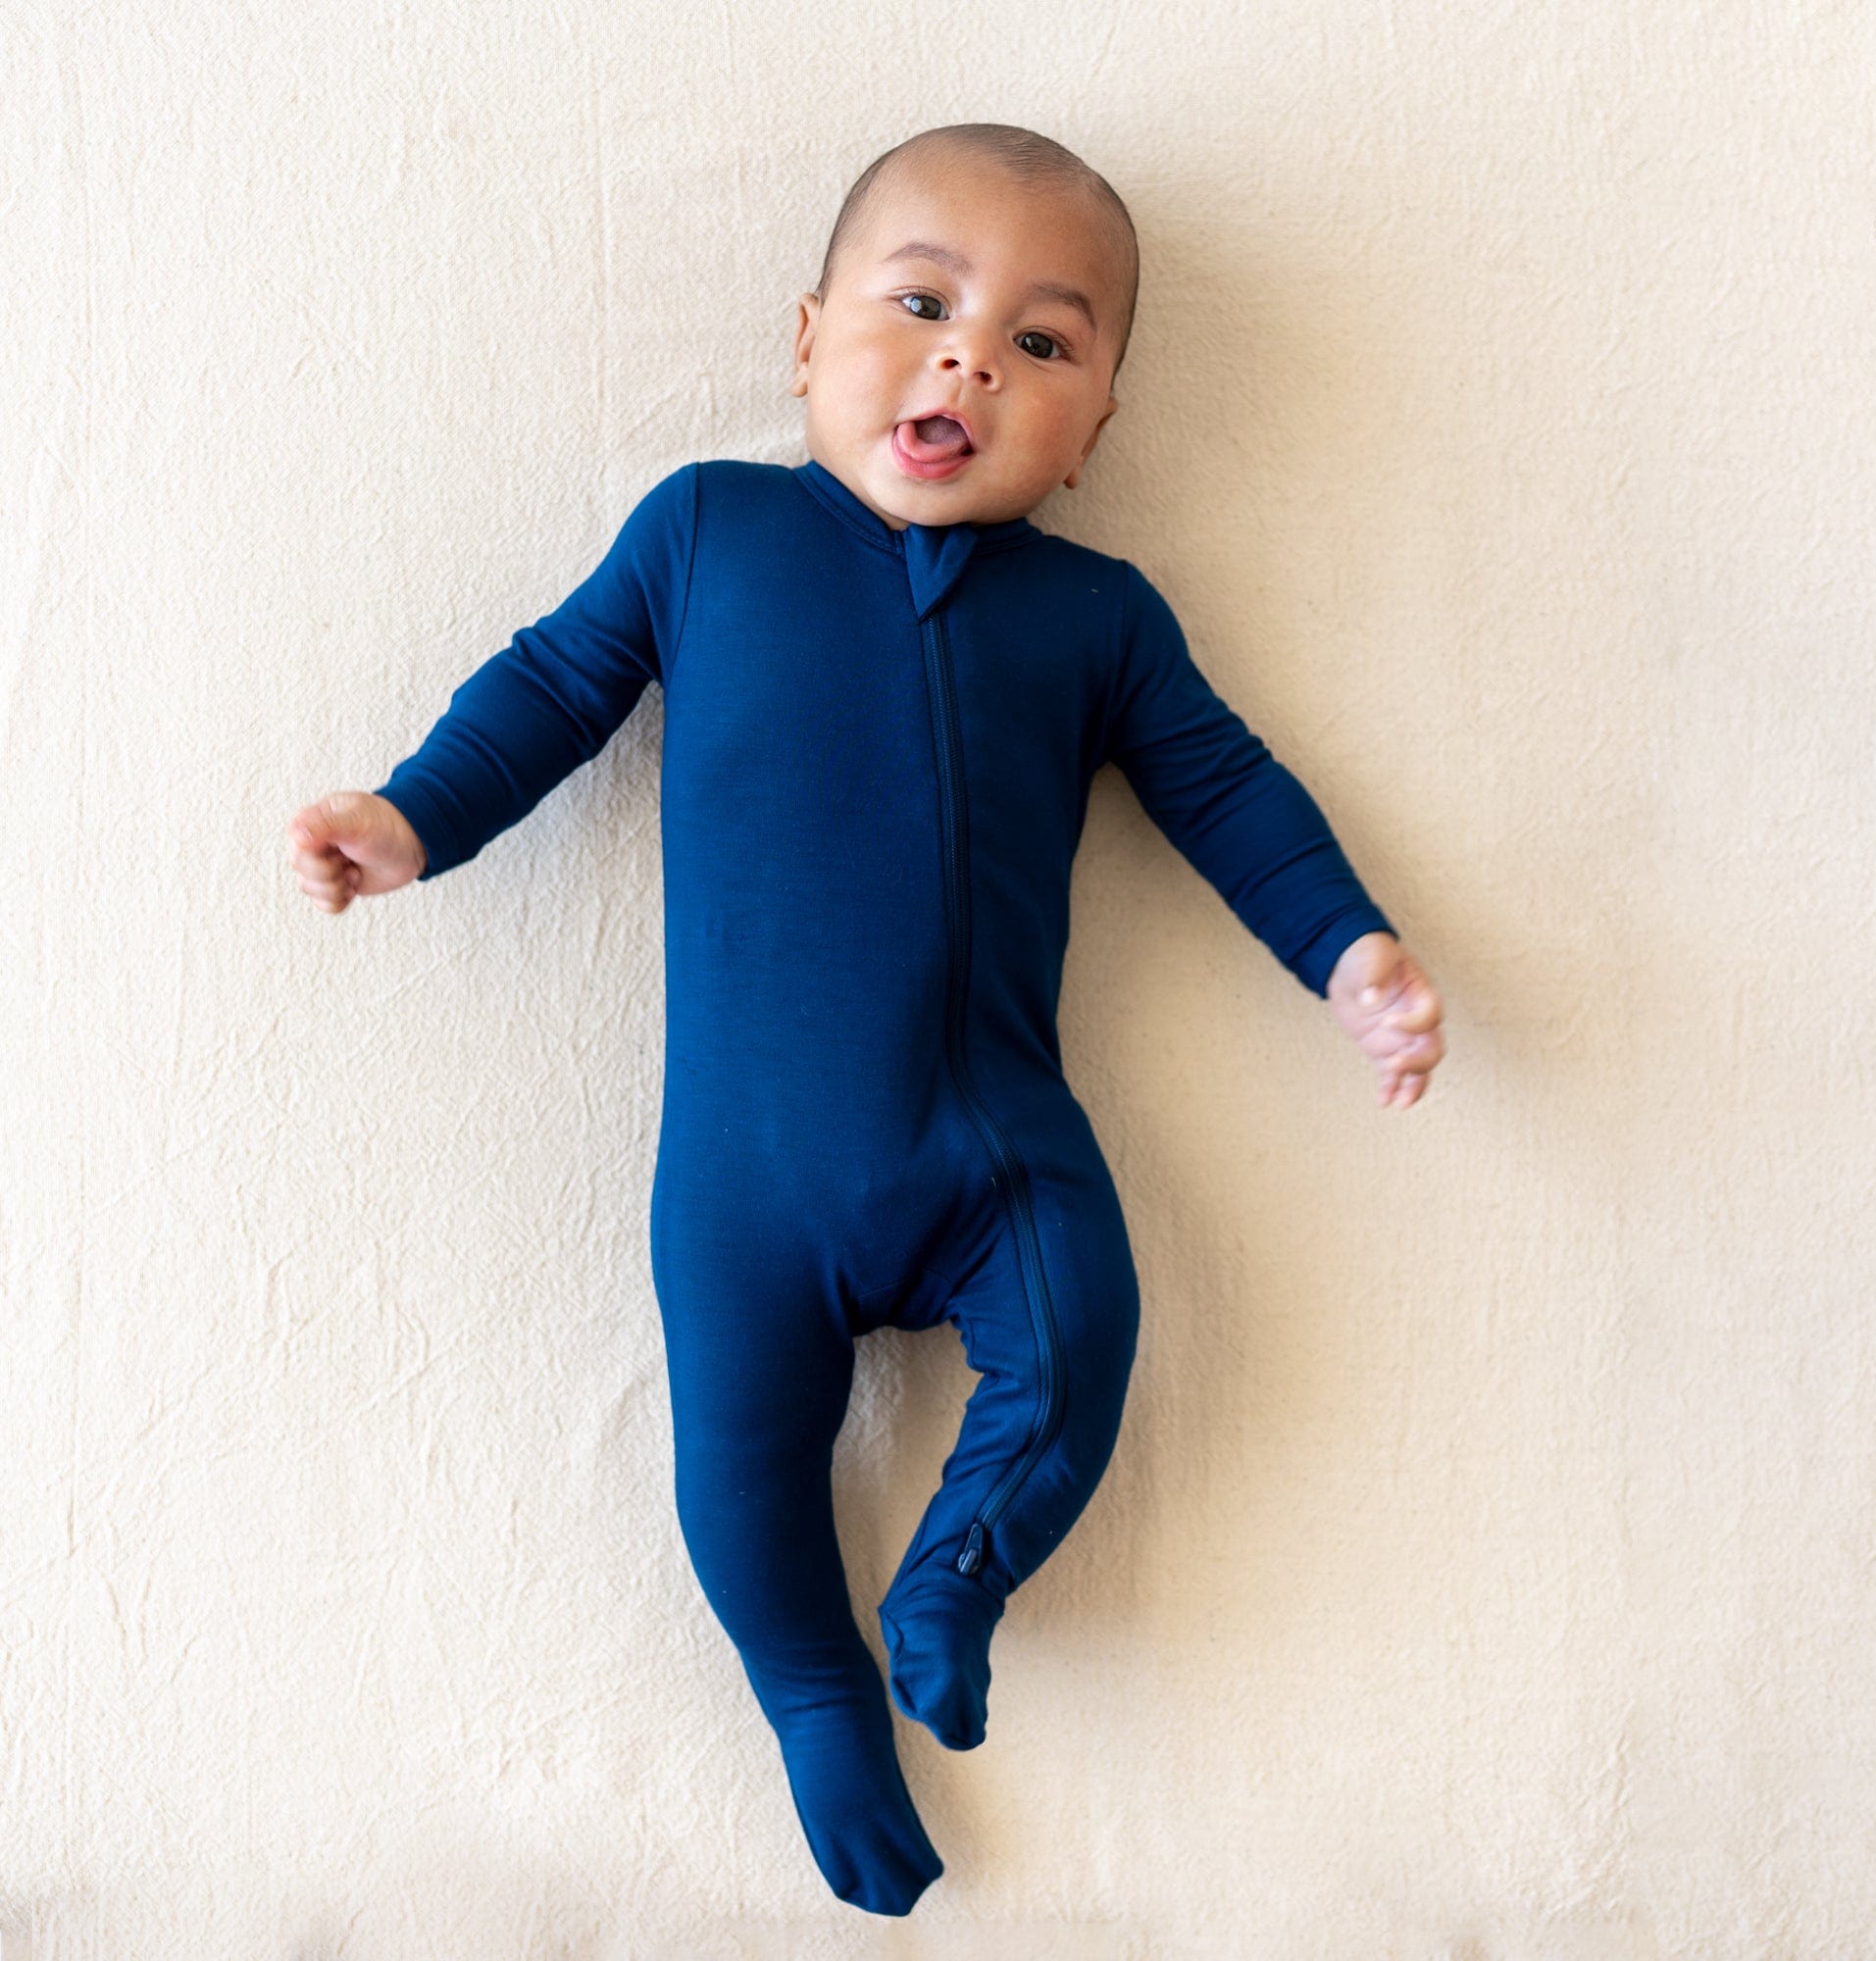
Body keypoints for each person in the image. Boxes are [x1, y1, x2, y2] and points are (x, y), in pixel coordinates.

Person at [285, 122, 1445, 1917]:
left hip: (993, 1147)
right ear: (809, 338)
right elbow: (553, 683)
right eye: (921, 304)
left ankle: (950, 1582)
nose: (970, 358)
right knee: (735, 1467)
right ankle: (817, 1695)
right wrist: (414, 815)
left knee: (1086, 1339)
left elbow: (1227, 791)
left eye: (1045, 343)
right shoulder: (708, 531)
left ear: (1102, 425)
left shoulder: (1100, 619)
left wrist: (1351, 952)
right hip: (745, 1179)